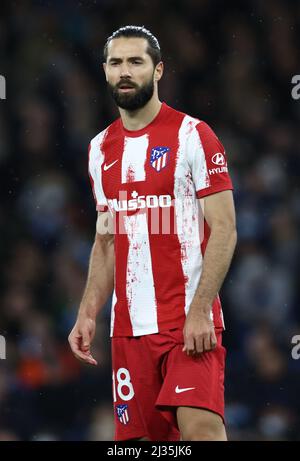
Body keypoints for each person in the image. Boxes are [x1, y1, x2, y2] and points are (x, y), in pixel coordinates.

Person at [68, 25, 237, 441]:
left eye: (136, 62)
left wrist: (199, 311)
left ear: (158, 70)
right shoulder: (98, 149)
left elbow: (225, 229)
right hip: (128, 330)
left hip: (188, 322)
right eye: (116, 63)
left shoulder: (194, 136)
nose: (125, 71)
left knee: (201, 431)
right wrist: (88, 310)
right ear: (105, 71)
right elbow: (107, 238)